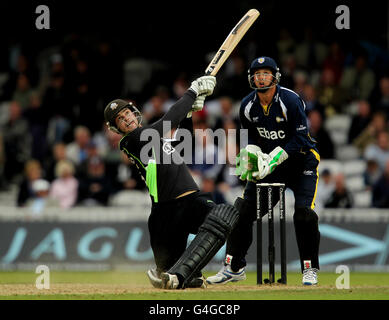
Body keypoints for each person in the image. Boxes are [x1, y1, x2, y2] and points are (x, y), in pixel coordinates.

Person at [103, 75, 239, 290]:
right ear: (116, 128)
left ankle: (183, 272)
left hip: (190, 201)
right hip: (165, 215)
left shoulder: (153, 138)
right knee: (171, 277)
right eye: (120, 118)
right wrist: (191, 93)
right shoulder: (130, 141)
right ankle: (183, 274)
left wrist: (189, 112)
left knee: (223, 217)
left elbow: (182, 143)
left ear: (134, 111)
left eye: (126, 112)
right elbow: (166, 123)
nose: (126, 118)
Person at [206, 56, 321, 286]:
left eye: (266, 73)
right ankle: (234, 266)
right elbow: (252, 140)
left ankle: (309, 268)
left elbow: (301, 138)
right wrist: (251, 157)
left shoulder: (290, 100)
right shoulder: (248, 106)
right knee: (242, 211)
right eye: (257, 74)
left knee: (304, 214)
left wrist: (276, 156)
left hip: (301, 163)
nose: (261, 78)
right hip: (269, 166)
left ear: (275, 76)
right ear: (252, 78)